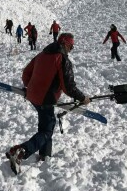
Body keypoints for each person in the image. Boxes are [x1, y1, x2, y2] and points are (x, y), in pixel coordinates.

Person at [5, 33, 90, 174]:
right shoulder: (62, 59)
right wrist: (82, 98)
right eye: (71, 46)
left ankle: (45, 156)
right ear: (64, 43)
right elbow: (68, 86)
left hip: (33, 97)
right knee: (47, 130)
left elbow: (26, 73)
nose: (71, 49)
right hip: (46, 99)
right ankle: (21, 151)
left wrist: (32, 87)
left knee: (45, 125)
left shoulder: (42, 54)